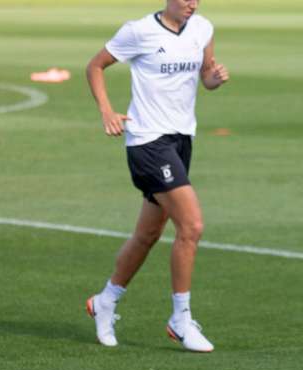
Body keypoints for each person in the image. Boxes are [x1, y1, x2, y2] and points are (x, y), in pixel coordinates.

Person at [84, 0, 228, 352]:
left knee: (148, 233)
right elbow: (96, 66)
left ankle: (105, 300)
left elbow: (205, 76)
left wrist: (213, 79)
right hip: (147, 141)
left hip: (181, 140)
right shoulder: (139, 31)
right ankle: (180, 318)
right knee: (191, 226)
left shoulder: (203, 29)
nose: (192, 3)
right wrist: (107, 111)